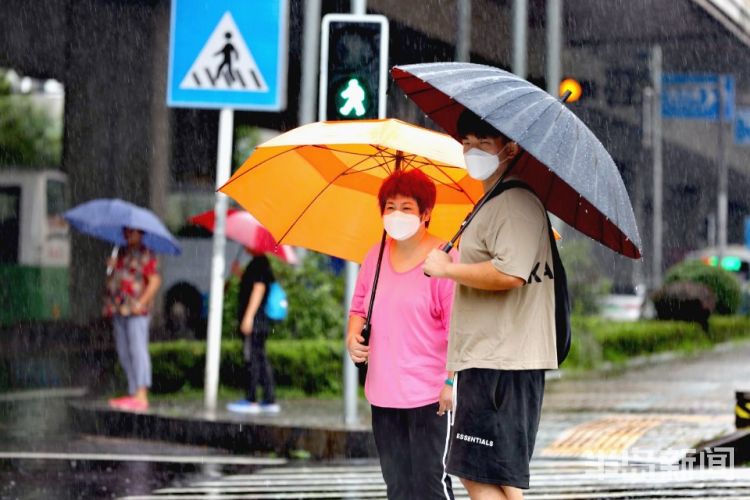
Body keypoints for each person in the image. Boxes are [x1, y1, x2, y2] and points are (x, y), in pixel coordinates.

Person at [423, 110, 557, 500]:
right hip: (490, 359)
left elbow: (510, 274)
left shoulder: (514, 202)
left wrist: (448, 271)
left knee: (496, 476)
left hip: (504, 362)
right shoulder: (494, 199)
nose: (472, 152)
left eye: (483, 144)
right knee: (481, 471)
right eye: (467, 144)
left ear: (510, 149)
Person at [347, 169, 457, 500]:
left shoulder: (443, 260)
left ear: (426, 213)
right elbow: (357, 310)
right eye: (390, 206)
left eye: (407, 207)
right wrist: (352, 338)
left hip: (430, 396)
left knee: (430, 486)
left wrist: (451, 383)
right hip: (383, 395)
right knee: (397, 487)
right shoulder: (374, 256)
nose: (397, 215)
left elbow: (459, 330)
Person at [105, 227, 161, 412]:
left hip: (136, 311)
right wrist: (111, 267)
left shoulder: (146, 254)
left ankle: (141, 393)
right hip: (119, 308)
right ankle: (133, 390)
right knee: (124, 350)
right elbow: (113, 281)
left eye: (133, 232)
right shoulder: (121, 252)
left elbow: (154, 281)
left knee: (138, 350)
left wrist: (141, 303)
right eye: (126, 231)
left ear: (141, 234)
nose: (128, 235)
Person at [226, 249, 280, 414]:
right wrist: (239, 274)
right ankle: (269, 399)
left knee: (252, 359)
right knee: (260, 358)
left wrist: (248, 317)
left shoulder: (259, 263)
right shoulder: (260, 263)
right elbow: (254, 284)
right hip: (260, 321)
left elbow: (259, 289)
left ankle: (251, 399)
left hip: (255, 321)